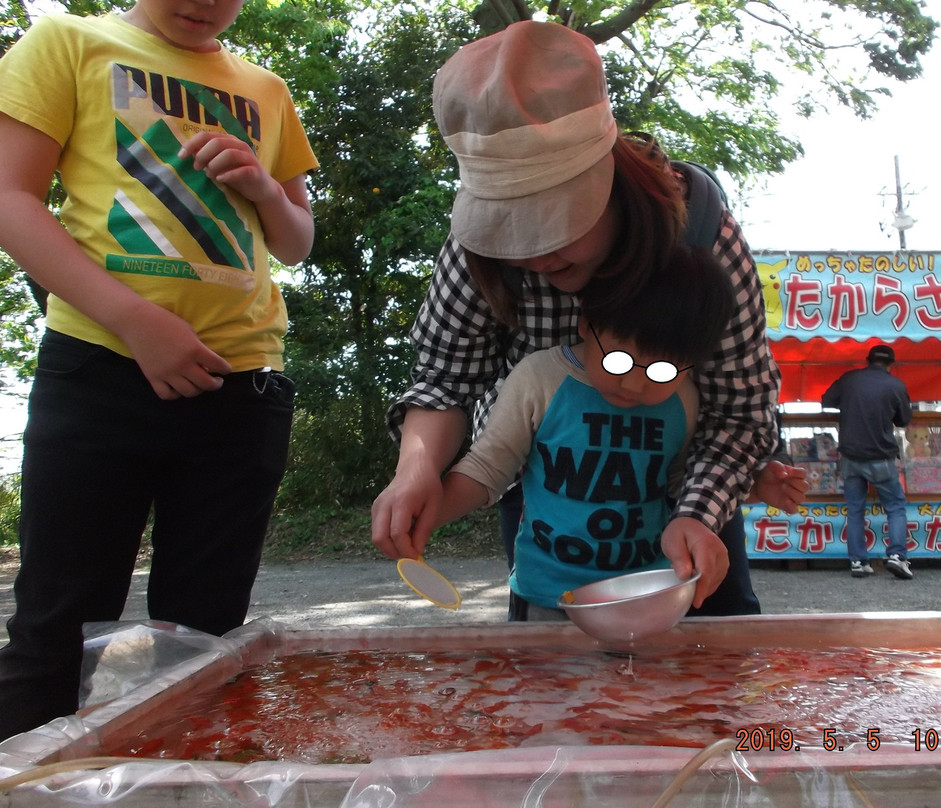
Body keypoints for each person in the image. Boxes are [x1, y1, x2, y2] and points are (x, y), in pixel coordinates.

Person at [371, 20, 794, 613]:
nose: (533, 252)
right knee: (550, 668)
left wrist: (698, 513)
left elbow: (739, 410)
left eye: (555, 219)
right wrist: (416, 469)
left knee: (708, 667)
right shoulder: (479, 253)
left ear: (610, 176)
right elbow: (445, 377)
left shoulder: (701, 239)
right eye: (510, 227)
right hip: (550, 500)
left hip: (684, 521)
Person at [0, 0, 318, 741]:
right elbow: (11, 198)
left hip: (244, 386)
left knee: (205, 645)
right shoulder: (68, 41)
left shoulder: (266, 89)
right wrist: (135, 321)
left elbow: (297, 240)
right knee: (55, 630)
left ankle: (182, 786)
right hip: (101, 367)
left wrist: (264, 189)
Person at [410, 245, 802, 618]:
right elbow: (488, 468)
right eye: (618, 360)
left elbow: (680, 482)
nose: (633, 384)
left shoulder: (683, 399)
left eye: (660, 371)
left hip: (645, 592)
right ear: (587, 324)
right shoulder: (538, 380)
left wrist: (752, 485)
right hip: (547, 596)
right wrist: (422, 514)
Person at [821, 345, 914, 580]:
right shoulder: (896, 385)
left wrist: (850, 404)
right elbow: (903, 420)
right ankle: (897, 557)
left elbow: (827, 400)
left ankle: (858, 562)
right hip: (881, 457)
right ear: (891, 364)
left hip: (850, 457)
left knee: (855, 510)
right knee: (895, 507)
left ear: (867, 360)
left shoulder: (850, 379)